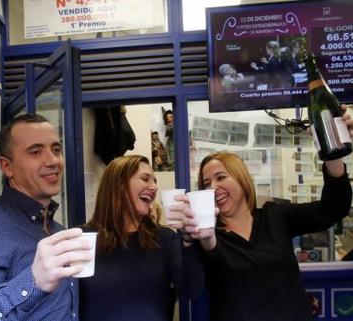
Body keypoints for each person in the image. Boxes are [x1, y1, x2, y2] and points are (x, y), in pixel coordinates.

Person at [168, 105, 353, 321]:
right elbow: (191, 289)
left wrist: (332, 150)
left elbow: (334, 208)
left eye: (221, 177)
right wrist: (189, 241)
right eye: (206, 183)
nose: (212, 188)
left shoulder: (275, 217)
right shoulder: (205, 234)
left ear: (241, 179)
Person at [0, 114, 93, 321]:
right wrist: (33, 281)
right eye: (36, 152)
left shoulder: (57, 230)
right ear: (7, 166)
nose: (53, 161)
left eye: (56, 149)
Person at [78, 155, 205, 321]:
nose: (154, 187)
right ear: (119, 185)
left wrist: (189, 240)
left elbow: (192, 290)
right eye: (145, 179)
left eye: (155, 181)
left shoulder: (164, 238)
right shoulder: (82, 239)